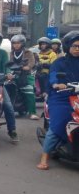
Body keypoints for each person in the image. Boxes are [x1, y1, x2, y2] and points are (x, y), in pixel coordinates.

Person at [37, 31, 79, 170]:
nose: (77, 49)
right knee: (60, 122)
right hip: (61, 96)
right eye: (74, 46)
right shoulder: (59, 62)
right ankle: (44, 157)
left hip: (77, 96)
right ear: (68, 47)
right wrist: (56, 84)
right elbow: (53, 75)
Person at [9, 34, 38, 120]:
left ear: (22, 43)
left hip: (26, 75)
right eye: (14, 43)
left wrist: (27, 67)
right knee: (6, 89)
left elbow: (31, 63)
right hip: (14, 74)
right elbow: (10, 63)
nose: (16, 45)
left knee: (29, 92)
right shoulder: (12, 53)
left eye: (18, 43)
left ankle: (32, 113)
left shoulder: (28, 52)